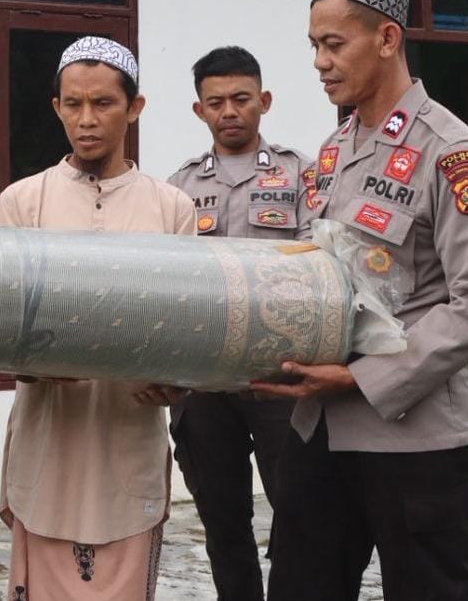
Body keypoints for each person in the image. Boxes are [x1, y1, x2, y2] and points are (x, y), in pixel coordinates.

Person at [253, 0, 468, 601]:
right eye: (314, 45)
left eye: (333, 44)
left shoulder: (453, 154)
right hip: (319, 429)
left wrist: (361, 378)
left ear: (388, 39)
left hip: (413, 438)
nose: (319, 62)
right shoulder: (335, 149)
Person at [0, 36, 196, 601]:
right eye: (74, 104)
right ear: (56, 107)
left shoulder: (171, 208)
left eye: (103, 103)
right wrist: (32, 362)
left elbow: (188, 328)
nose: (86, 119)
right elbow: (1, 327)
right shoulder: (21, 202)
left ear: (134, 107)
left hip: (129, 443)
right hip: (47, 445)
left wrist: (178, 381)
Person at [164, 46, 302, 601]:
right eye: (216, 101)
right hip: (203, 382)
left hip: (280, 377)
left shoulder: (301, 175)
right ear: (199, 110)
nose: (229, 111)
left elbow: (321, 268)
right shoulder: (177, 187)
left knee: (299, 515)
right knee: (223, 525)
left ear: (264, 101)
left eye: (241, 99)